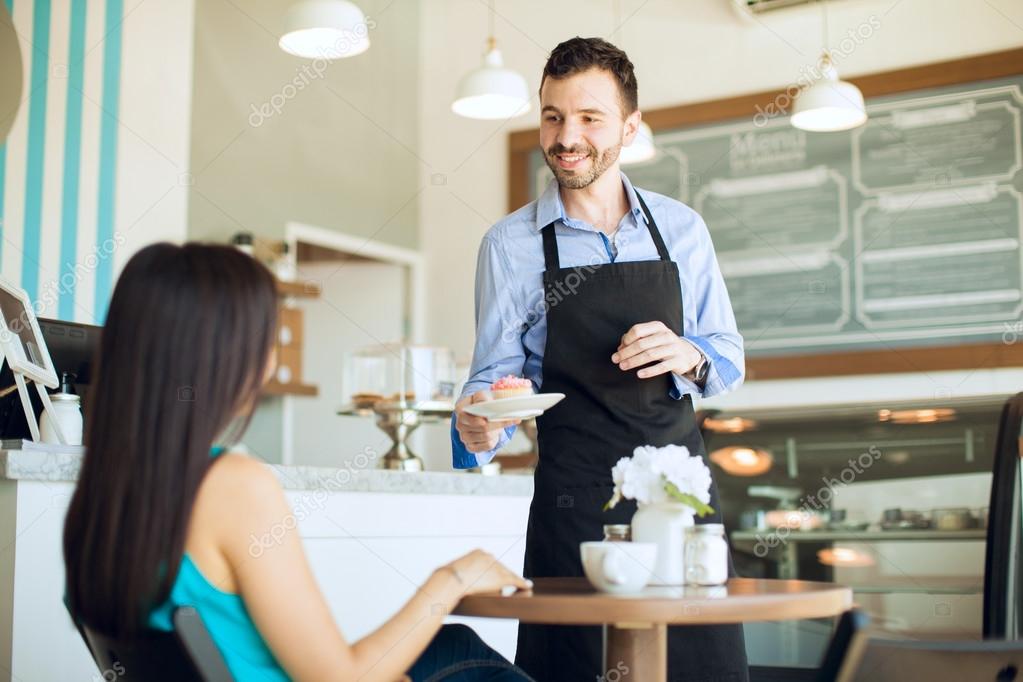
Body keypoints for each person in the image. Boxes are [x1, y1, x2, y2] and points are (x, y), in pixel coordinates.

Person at [63, 243, 534, 682]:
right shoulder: (232, 486)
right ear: (218, 356)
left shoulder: (100, 494)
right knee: (467, 658)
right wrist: (449, 582)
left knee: (452, 646)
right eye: (265, 341)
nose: (269, 365)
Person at [452, 37, 749, 681]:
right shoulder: (510, 245)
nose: (567, 137)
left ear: (630, 128)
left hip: (678, 500)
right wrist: (476, 423)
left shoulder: (682, 229)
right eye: (553, 116)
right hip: (572, 505)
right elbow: (490, 383)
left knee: (698, 669)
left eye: (589, 118)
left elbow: (728, 357)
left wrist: (687, 352)